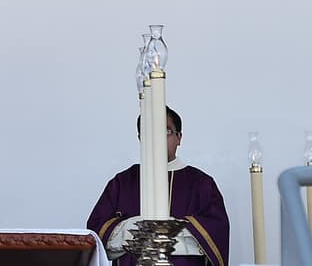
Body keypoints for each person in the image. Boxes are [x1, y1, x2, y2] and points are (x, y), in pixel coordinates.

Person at [87, 107, 229, 266]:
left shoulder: (201, 184)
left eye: (166, 131)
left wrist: (141, 231)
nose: (157, 139)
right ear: (140, 138)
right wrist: (151, 228)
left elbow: (217, 232)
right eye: (149, 132)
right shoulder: (122, 182)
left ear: (179, 137)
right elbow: (96, 233)